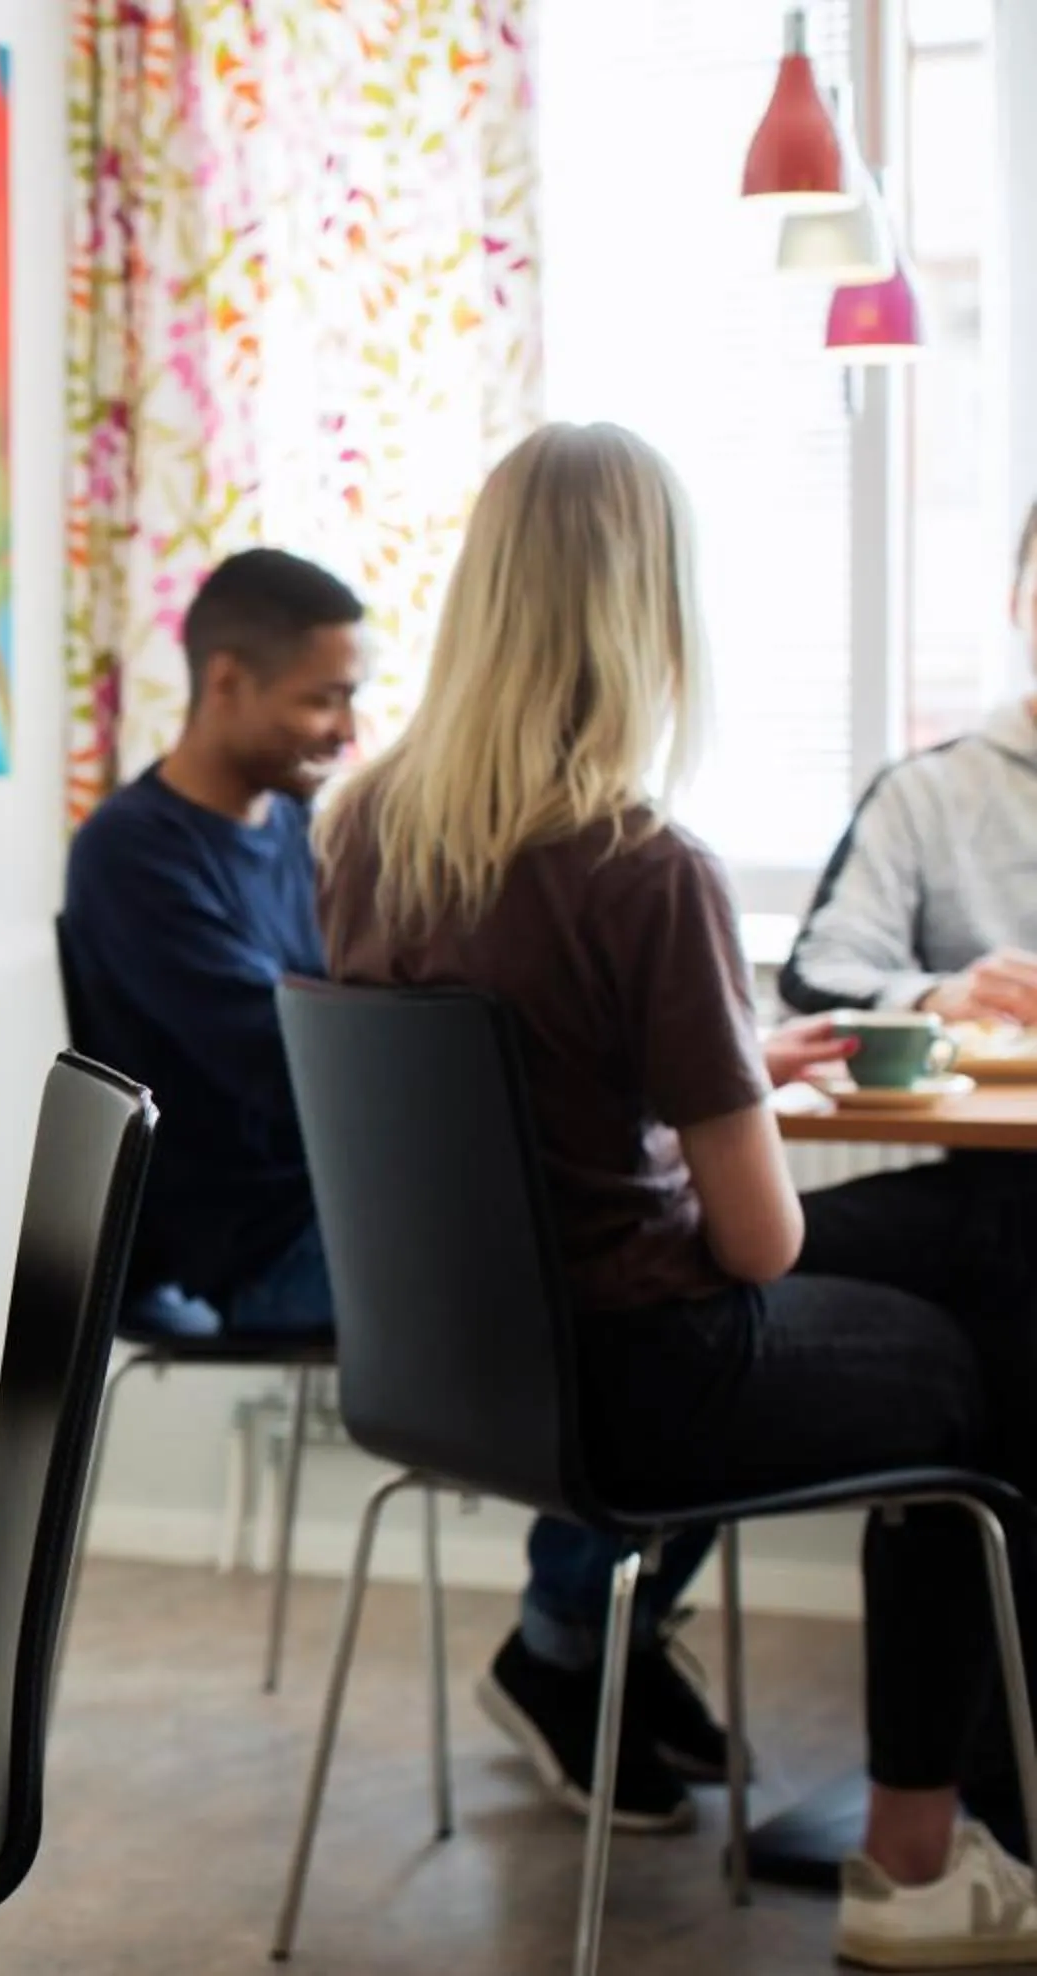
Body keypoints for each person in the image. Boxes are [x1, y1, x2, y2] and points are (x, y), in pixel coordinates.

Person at [317, 420, 1037, 1970]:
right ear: (652, 614)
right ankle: (923, 1864)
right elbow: (758, 1240)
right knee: (978, 1354)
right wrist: (716, 1092)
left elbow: (524, 1094)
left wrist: (711, 1063)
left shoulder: (364, 834)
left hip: (458, 1378)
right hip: (650, 1379)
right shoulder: (644, 866)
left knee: (971, 1254)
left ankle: (631, 1671)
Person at [62, 547, 730, 1836]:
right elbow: (295, 1064)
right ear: (225, 678)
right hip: (243, 1251)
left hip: (356, 1205)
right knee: (610, 1286)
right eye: (322, 699)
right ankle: (573, 1640)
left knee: (663, 1262)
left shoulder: (310, 834)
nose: (348, 730)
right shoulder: (132, 854)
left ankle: (597, 1640)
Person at [781, 498, 1037, 1021]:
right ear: (1015, 604)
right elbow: (820, 972)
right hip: (974, 1102)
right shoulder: (923, 792)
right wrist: (937, 997)